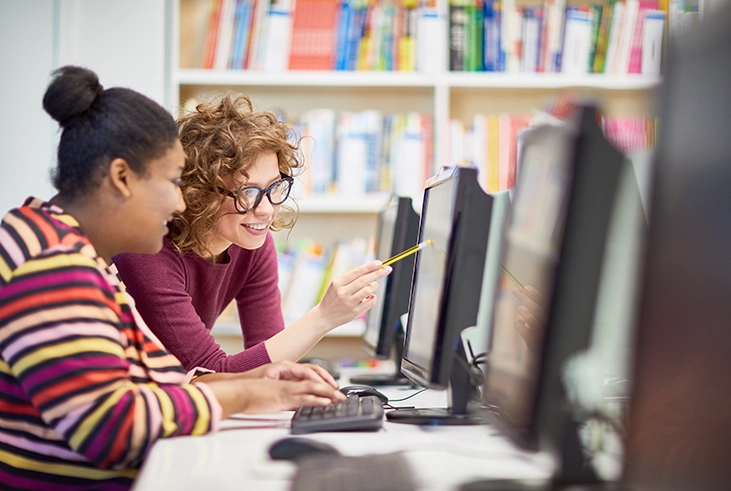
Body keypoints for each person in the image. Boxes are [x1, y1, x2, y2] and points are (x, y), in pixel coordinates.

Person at [0, 66, 344, 490]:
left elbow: (155, 380)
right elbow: (114, 429)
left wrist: (259, 379)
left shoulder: (72, 250)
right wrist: (248, 394)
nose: (182, 201)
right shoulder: (52, 266)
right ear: (122, 179)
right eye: (172, 182)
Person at [113, 94, 391, 373]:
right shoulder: (146, 251)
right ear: (198, 193)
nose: (267, 209)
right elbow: (210, 372)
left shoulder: (253, 244)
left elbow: (269, 356)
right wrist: (322, 317)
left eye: (274, 187)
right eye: (248, 192)